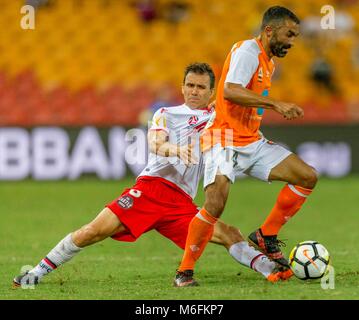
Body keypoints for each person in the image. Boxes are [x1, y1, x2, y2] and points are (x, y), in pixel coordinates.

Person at [13, 63, 290, 289]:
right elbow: (155, 143)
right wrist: (176, 149)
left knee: (228, 233)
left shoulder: (220, 120)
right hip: (150, 191)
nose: (194, 91)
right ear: (182, 88)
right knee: (92, 232)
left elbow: (243, 125)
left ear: (211, 91)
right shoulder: (166, 114)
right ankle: (35, 273)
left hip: (181, 202)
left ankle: (273, 271)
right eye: (190, 85)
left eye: (200, 87)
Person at [175, 6, 318, 286]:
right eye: (289, 34)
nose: (292, 41)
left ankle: (266, 234)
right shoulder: (247, 52)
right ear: (269, 31)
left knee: (307, 176)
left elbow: (230, 96)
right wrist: (275, 103)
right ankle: (184, 271)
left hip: (250, 139)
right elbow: (230, 89)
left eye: (295, 36)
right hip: (224, 138)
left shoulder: (269, 61)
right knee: (215, 204)